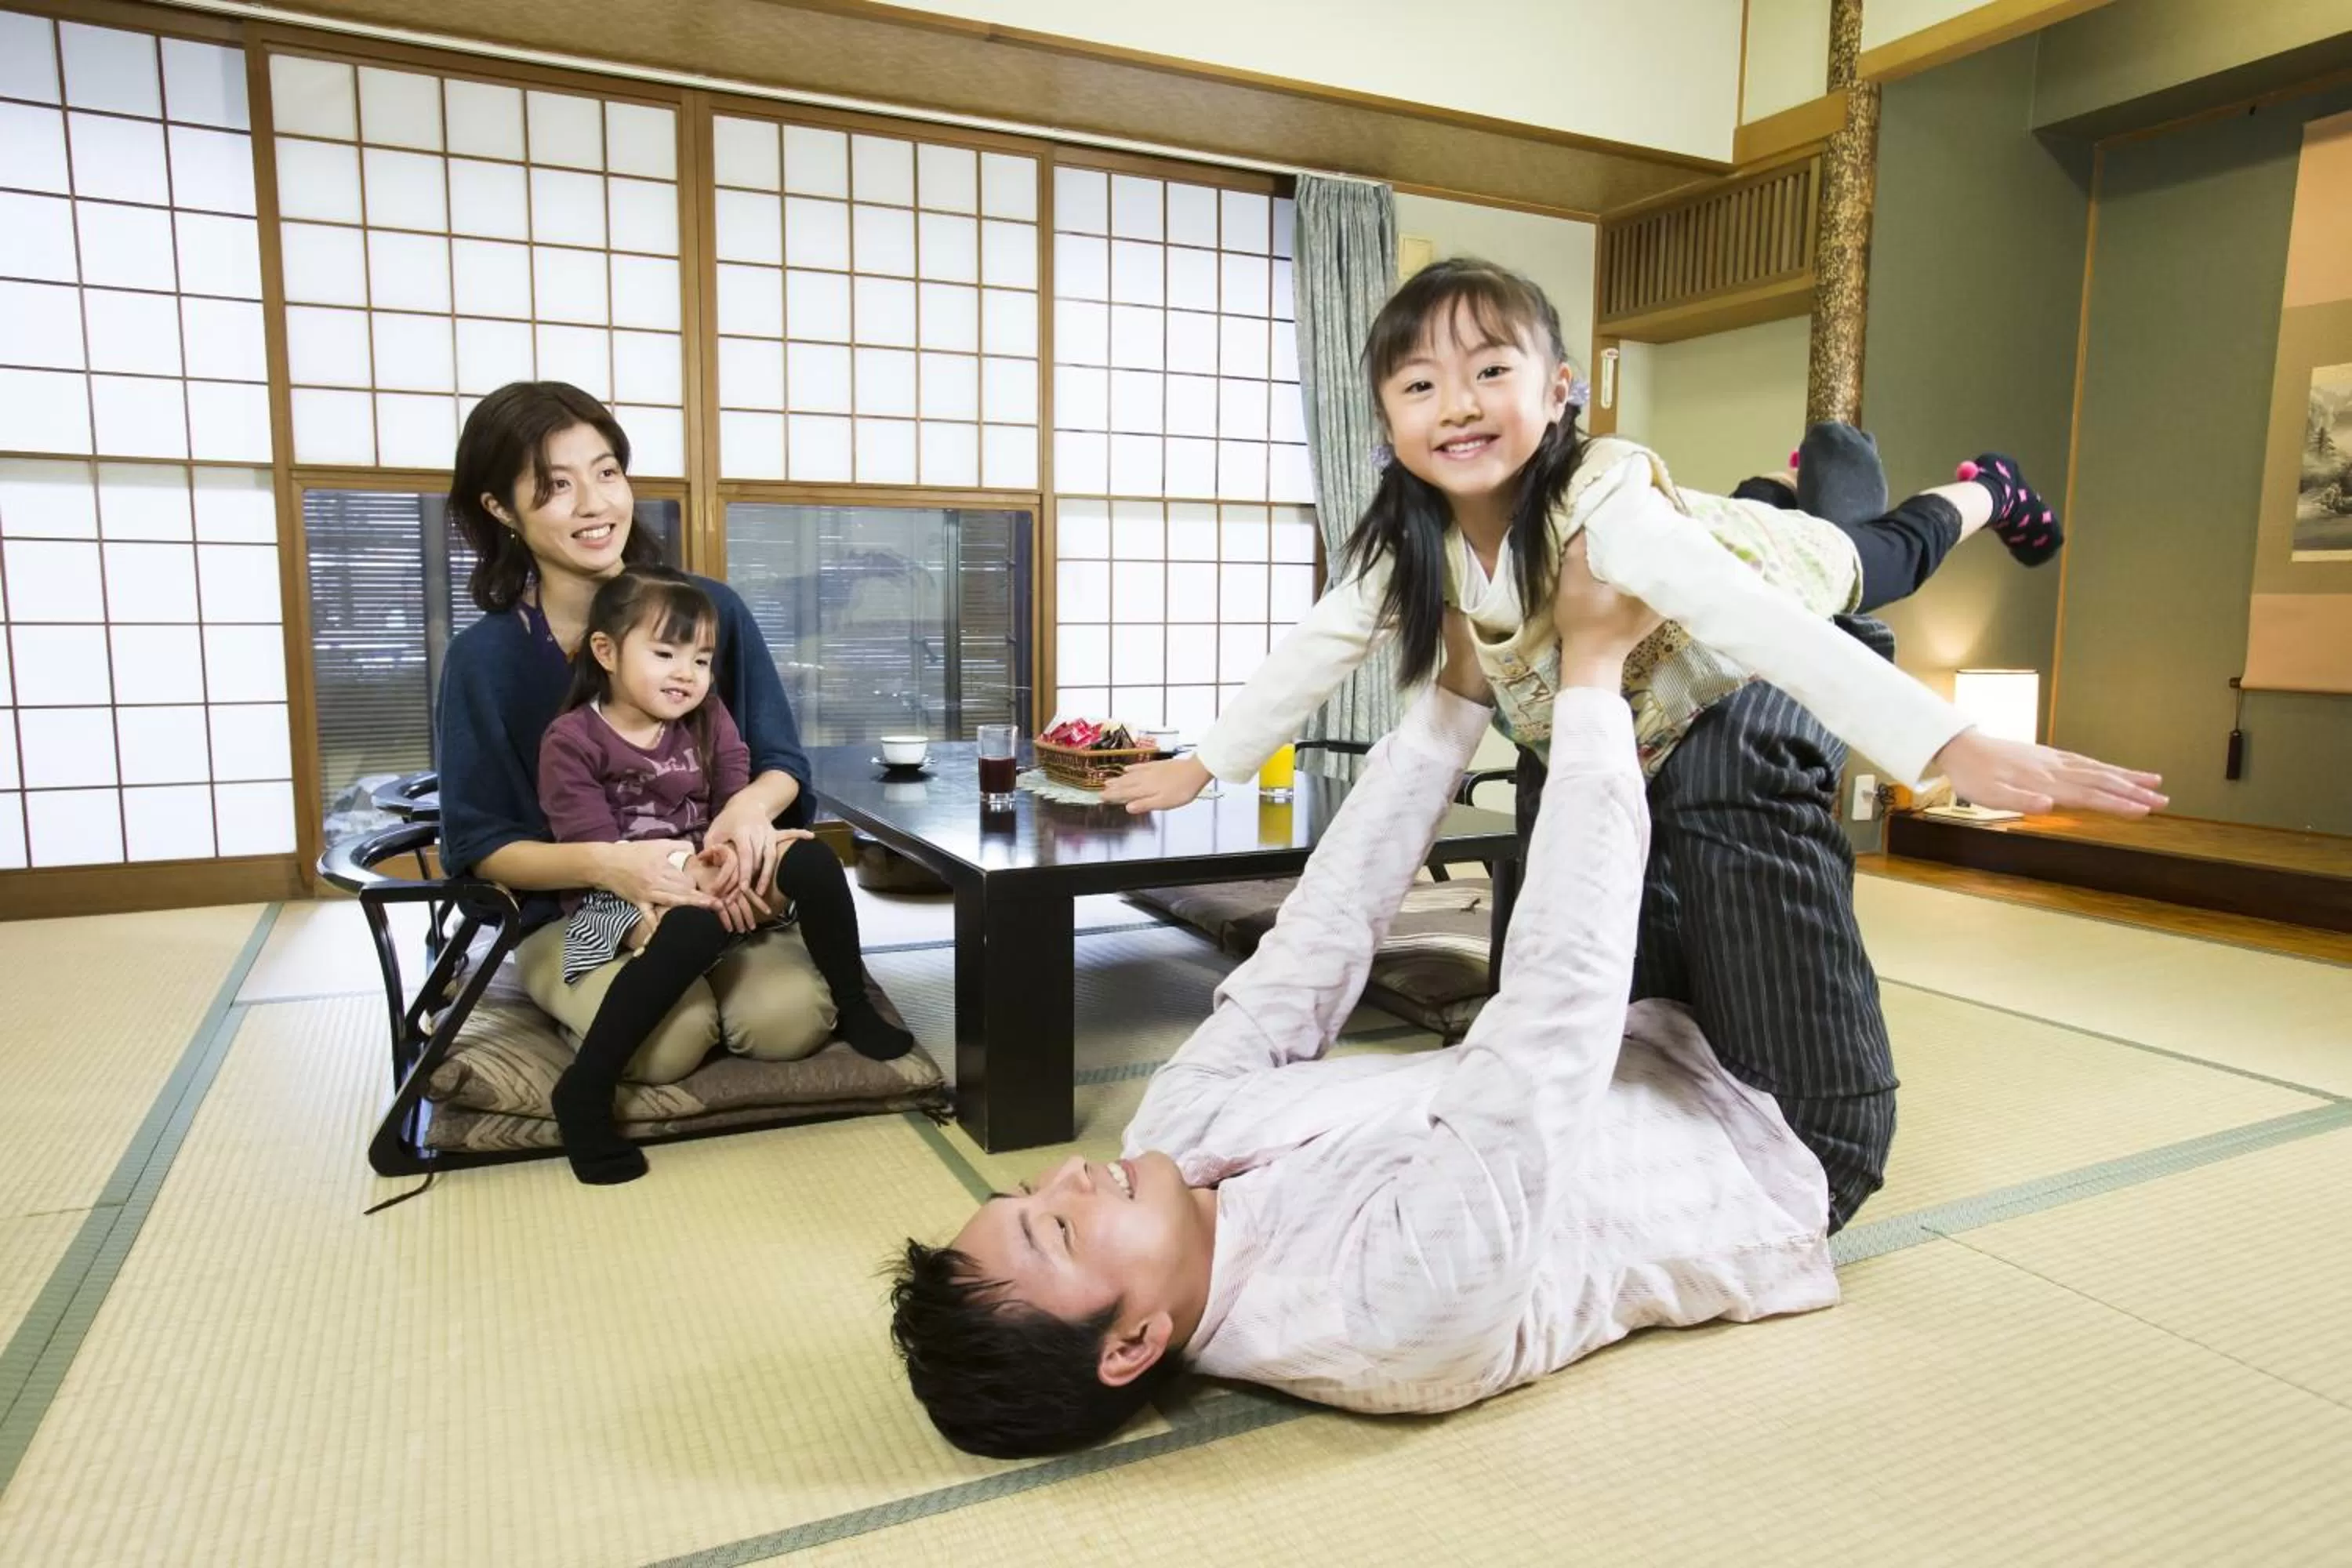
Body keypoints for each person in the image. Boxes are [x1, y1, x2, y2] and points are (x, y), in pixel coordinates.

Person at [888, 552, 2155, 1461]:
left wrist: (1453, 697)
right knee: (1734, 738)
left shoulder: (1175, 1133)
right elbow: (1540, 1037)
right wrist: (1600, 677)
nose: (1061, 1180)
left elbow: (1317, 943)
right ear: (1132, 1347)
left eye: (1022, 1195)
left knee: (1565, 690)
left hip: (1629, 1028)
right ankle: (1857, 554)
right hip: (1768, 1131)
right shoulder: (1385, 1316)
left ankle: (1843, 521)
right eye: (1053, 1235)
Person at [1102, 258, 2164, 1223]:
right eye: (1421, 386)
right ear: (1387, 427)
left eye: (1489, 371)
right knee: (1776, 539)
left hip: (1744, 594)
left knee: (1870, 554)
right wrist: (1206, 762)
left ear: (1558, 389)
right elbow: (1323, 641)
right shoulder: (1412, 538)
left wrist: (1947, 745)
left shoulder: (1600, 506)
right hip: (1637, 695)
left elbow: (1758, 623)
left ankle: (1979, 490)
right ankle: (1781, 480)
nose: (1458, 405)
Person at [435, 381, 902, 1181]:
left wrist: (748, 819)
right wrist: (612, 866)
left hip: (714, 885)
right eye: (554, 484)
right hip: (578, 911)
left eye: (607, 471)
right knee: (670, 1043)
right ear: (502, 508)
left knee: (787, 1023)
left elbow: (779, 762)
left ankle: (777, 975)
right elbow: (481, 846)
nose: (593, 502)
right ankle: (590, 1076)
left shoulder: (707, 610)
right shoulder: (486, 661)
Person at [535, 564, 914, 1183]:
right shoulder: (573, 740)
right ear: (605, 651)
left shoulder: (707, 715)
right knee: (694, 924)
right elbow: (594, 848)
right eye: (664, 653)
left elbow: (735, 805)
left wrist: (736, 859)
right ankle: (585, 1089)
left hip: (707, 870)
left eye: (702, 658)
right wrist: (697, 877)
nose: (686, 673)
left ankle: (852, 1004)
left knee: (812, 858)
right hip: (617, 892)